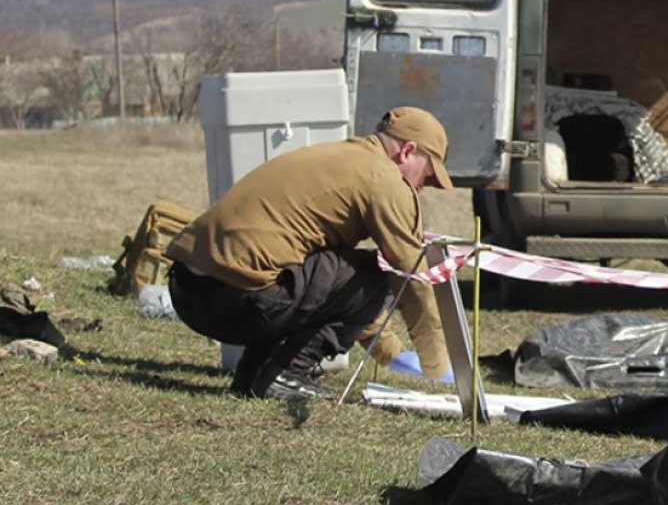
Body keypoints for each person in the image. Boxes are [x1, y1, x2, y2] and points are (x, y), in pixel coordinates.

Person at [166, 106, 455, 400]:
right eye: (427, 176)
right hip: (237, 302)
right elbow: (409, 276)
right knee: (376, 272)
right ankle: (285, 375)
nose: (421, 188)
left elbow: (335, 291)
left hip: (187, 290)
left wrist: (389, 352)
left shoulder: (340, 158)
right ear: (407, 151)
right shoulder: (384, 178)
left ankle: (255, 376)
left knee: (304, 270)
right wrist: (438, 368)